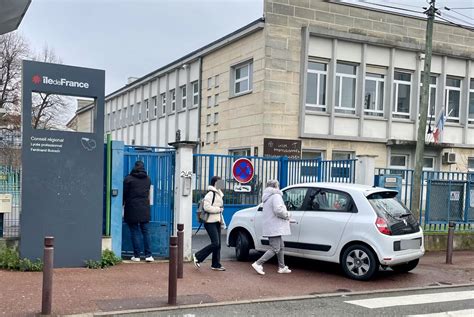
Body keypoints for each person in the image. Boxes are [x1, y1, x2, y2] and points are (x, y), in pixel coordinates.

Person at [251, 179, 292, 275]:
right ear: (275, 186)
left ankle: (282, 267)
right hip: (275, 226)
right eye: (278, 185)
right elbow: (278, 210)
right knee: (275, 248)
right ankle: (258, 263)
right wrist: (288, 215)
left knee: (281, 246)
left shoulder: (268, 197)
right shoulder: (276, 196)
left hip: (272, 225)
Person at [193, 176, 226, 271]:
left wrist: (221, 220)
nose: (221, 183)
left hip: (217, 221)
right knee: (215, 243)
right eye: (220, 182)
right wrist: (218, 209)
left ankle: (216, 264)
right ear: (215, 183)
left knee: (218, 244)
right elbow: (207, 207)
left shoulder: (219, 194)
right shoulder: (211, 194)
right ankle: (197, 256)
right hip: (209, 222)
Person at [123, 160, 154, 262]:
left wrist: (123, 203)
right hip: (144, 209)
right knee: (146, 232)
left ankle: (136, 256)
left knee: (135, 232)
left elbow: (124, 194)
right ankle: (148, 255)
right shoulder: (148, 179)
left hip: (132, 209)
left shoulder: (128, 179)